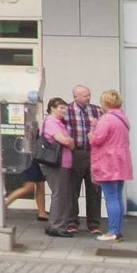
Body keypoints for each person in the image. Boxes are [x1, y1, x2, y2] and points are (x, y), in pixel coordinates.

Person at [44, 85, 97, 237]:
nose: (88, 97)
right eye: (85, 95)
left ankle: (93, 223)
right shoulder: (64, 114)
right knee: (70, 191)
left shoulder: (96, 110)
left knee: (93, 189)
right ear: (76, 97)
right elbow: (65, 140)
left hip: (92, 152)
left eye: (89, 94)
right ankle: (69, 222)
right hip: (74, 154)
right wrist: (70, 142)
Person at [92, 89, 134, 242]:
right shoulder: (122, 117)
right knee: (117, 197)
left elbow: (97, 140)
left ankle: (113, 231)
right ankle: (118, 230)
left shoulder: (107, 119)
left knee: (110, 198)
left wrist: (92, 132)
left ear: (106, 103)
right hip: (121, 161)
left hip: (108, 162)